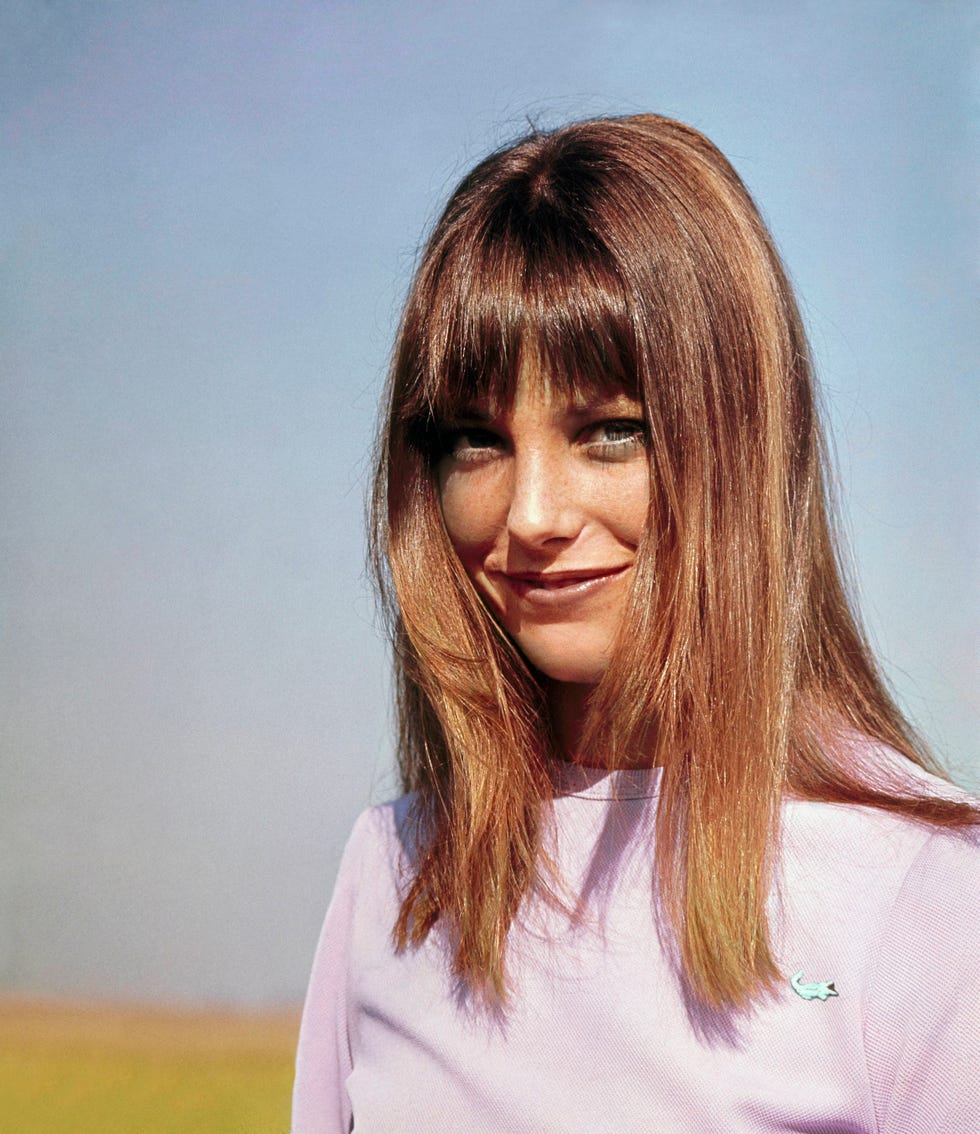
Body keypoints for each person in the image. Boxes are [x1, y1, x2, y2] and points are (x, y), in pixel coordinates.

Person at [292, 114, 978, 1133]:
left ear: (738, 444)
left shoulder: (924, 890)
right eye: (476, 440)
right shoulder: (394, 872)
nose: (531, 515)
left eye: (609, 432)